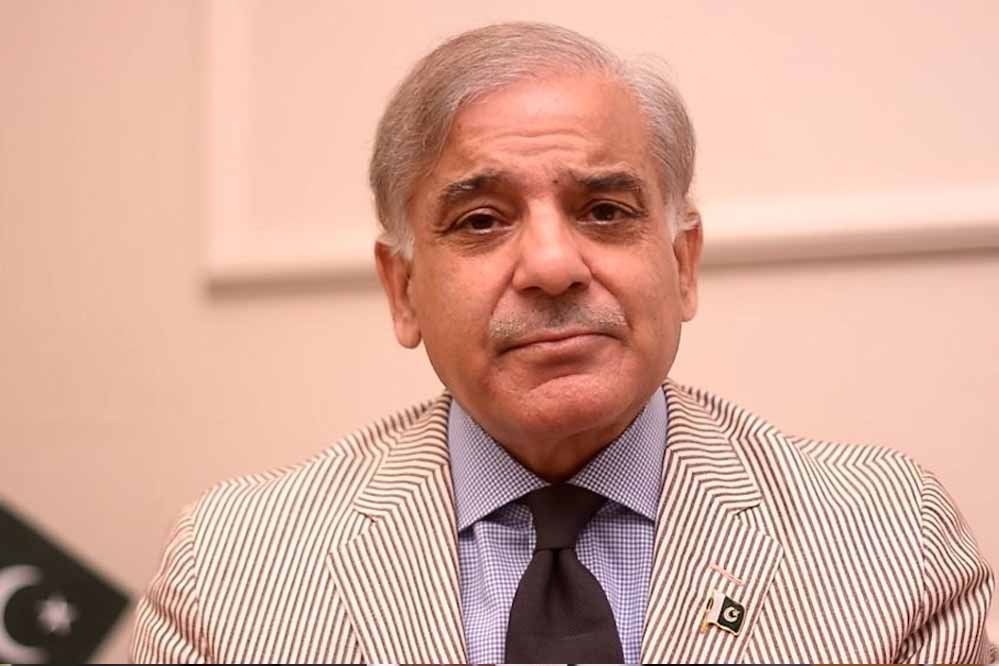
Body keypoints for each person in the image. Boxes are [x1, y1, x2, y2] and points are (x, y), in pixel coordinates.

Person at [131, 22, 994, 664]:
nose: (551, 266)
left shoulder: (887, 542)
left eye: (604, 211)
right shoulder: (232, 572)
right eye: (480, 220)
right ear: (403, 290)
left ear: (682, 265)